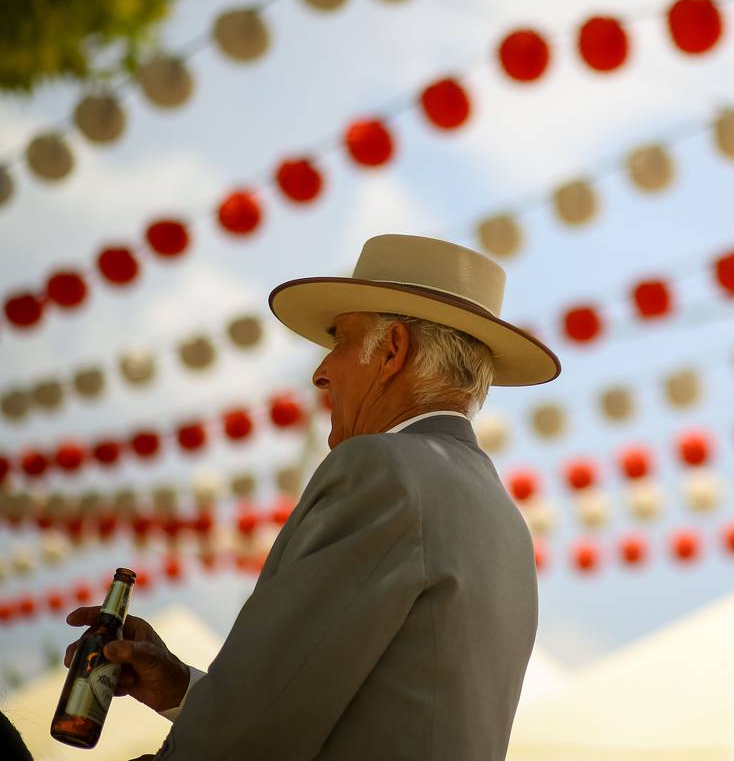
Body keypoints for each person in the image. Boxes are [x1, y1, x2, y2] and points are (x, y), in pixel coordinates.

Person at [64, 235, 560, 760]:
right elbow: (351, 706)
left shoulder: (382, 467)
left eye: (340, 339)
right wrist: (180, 688)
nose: (321, 371)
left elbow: (252, 738)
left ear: (392, 351)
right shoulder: (503, 516)